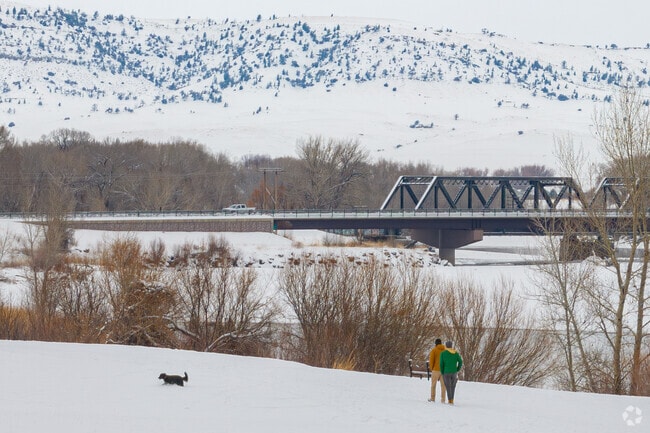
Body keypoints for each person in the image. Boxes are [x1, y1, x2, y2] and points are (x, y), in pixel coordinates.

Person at [439, 340, 463, 404]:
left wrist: (442, 371)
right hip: (454, 372)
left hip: (446, 372)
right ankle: (452, 400)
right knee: (453, 386)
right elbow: (460, 361)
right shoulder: (455, 353)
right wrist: (457, 369)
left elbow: (441, 364)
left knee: (448, 386)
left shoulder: (443, 353)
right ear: (451, 346)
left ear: (446, 346)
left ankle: (449, 400)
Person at [428, 338, 447, 402]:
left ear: (436, 343)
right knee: (443, 386)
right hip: (443, 370)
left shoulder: (434, 350)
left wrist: (431, 368)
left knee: (433, 385)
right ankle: (443, 399)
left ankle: (432, 398)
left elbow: (431, 360)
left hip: (435, 370)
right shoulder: (445, 350)